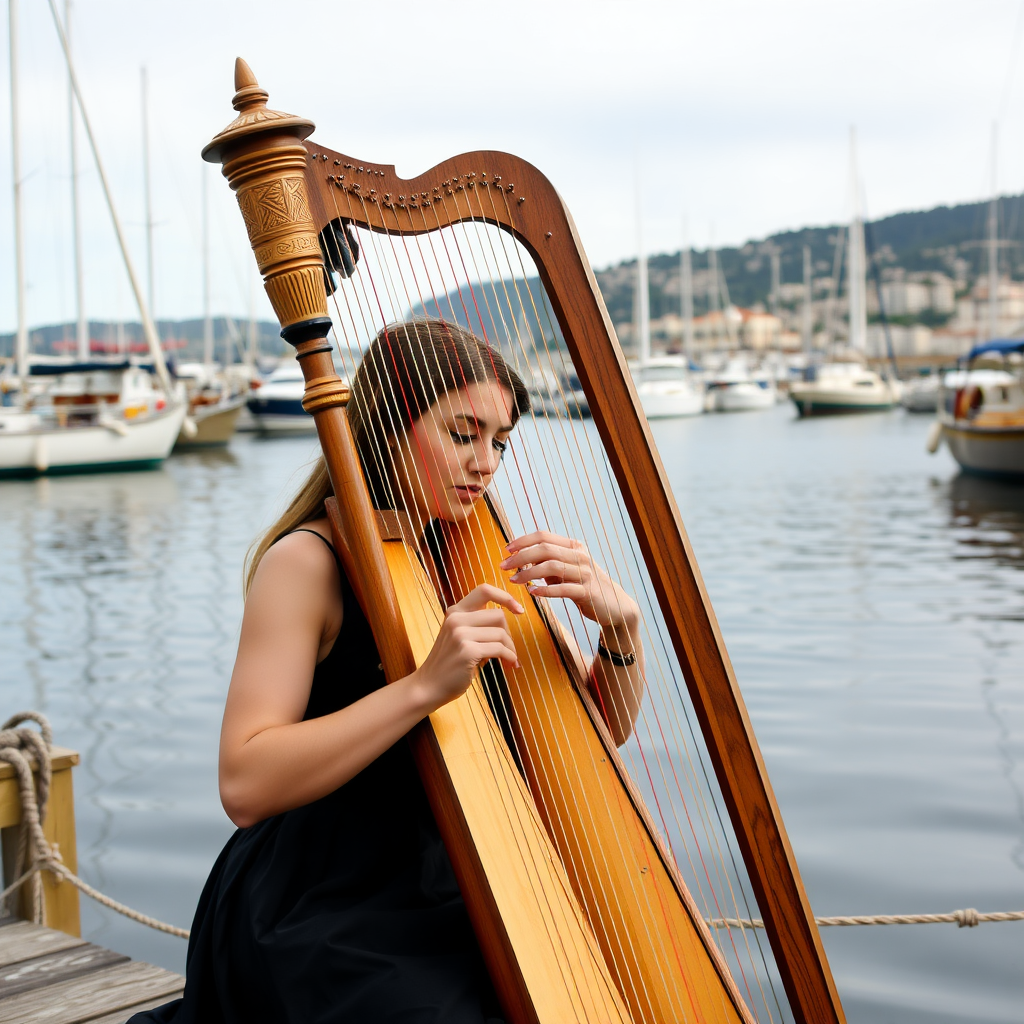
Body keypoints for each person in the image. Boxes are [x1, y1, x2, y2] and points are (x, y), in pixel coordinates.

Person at [132, 319, 644, 1024]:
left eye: (499, 442)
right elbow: (244, 782)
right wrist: (423, 689)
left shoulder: (471, 550)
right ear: (387, 427)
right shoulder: (306, 563)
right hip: (320, 902)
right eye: (462, 434)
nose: (486, 462)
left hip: (450, 884)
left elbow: (593, 739)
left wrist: (622, 629)